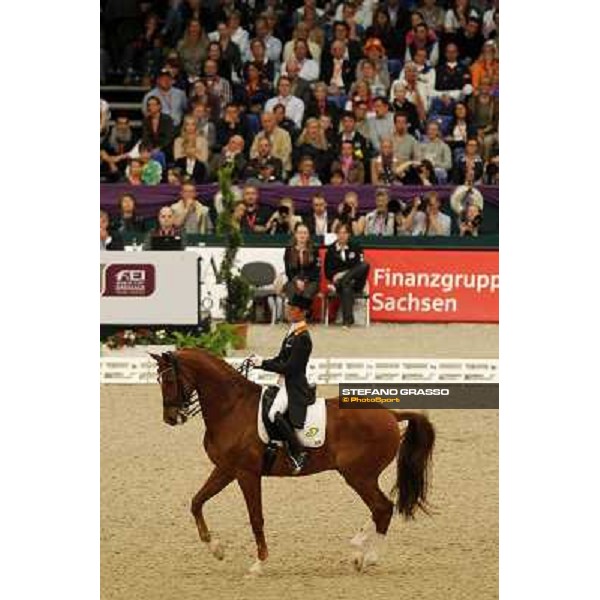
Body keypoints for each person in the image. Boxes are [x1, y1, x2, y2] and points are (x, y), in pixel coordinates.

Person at [250, 294, 313, 474]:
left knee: (274, 413)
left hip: (293, 385)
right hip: (282, 383)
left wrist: (263, 364)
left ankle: (298, 451)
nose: (287, 311)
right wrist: (261, 362)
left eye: (292, 309)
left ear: (302, 312)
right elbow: (280, 359)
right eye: (288, 307)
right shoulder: (292, 332)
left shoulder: (303, 337)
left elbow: (291, 368)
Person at [324, 223, 370, 328]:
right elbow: (328, 273)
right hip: (340, 284)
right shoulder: (331, 250)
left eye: (344, 233)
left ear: (349, 234)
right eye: (339, 233)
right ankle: (347, 321)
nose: (342, 235)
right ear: (336, 234)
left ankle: (344, 280)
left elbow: (360, 267)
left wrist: (343, 274)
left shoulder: (356, 246)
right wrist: (335, 277)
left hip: (357, 282)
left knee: (365, 265)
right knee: (346, 286)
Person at [283, 223, 321, 308]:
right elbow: (288, 270)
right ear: (295, 234)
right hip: (294, 280)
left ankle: (298, 317)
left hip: (311, 281)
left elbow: (316, 270)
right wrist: (297, 281)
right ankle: (300, 318)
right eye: (300, 233)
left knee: (307, 293)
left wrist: (305, 281)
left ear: (308, 235)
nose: (302, 235)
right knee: (292, 291)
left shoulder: (314, 250)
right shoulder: (289, 250)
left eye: (305, 233)